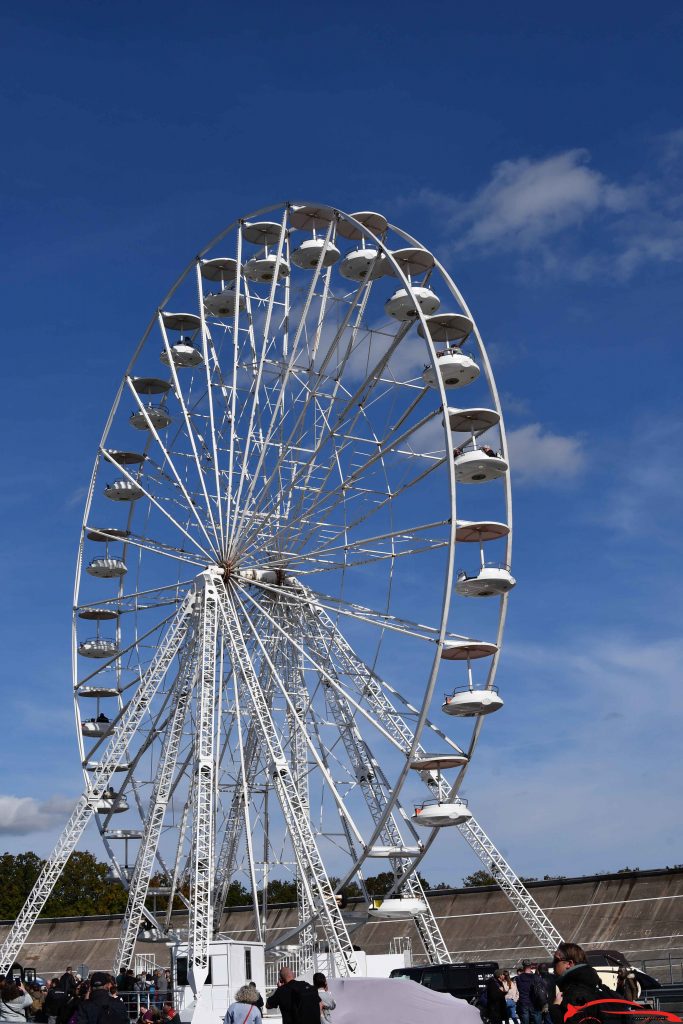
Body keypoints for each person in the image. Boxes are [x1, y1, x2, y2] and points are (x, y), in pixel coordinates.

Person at [550, 942, 627, 1024]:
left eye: (556, 960)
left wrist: (555, 1008)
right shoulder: (605, 991)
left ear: (569, 964)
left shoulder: (575, 995)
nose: (553, 964)